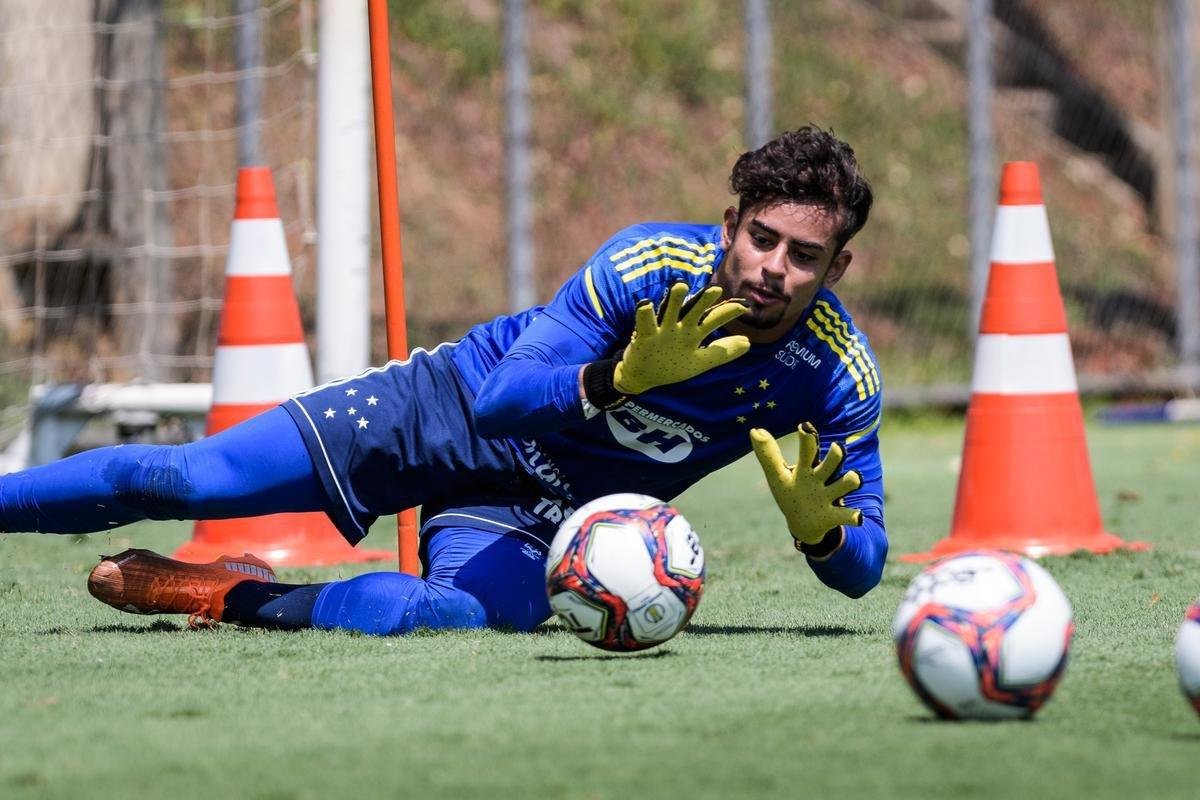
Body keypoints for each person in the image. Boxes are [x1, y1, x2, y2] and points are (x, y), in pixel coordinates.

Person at [0, 125, 886, 636]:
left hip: (540, 515)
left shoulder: (837, 375)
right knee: (186, 478)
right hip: (447, 407)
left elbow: (862, 571)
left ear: (836, 267)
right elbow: (505, 398)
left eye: (803, 256)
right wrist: (614, 376)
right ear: (731, 225)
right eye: (761, 238)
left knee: (443, 618)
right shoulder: (647, 262)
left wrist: (823, 535)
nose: (773, 268)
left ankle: (222, 592)